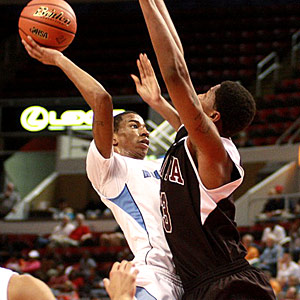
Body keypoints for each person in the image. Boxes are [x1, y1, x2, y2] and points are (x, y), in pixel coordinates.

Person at [22, 36, 183, 299]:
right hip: (155, 275)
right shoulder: (109, 168)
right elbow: (102, 99)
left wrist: (159, 103)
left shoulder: (162, 165)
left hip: (191, 275)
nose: (144, 129)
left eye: (144, 125)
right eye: (134, 125)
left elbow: (191, 138)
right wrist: (59, 59)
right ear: (114, 138)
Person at [138, 0, 276, 299]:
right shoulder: (193, 140)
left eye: (208, 93)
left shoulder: (214, 151)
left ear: (213, 118)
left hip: (229, 285)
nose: (200, 91)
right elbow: (179, 55)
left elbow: (177, 73)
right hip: (201, 285)